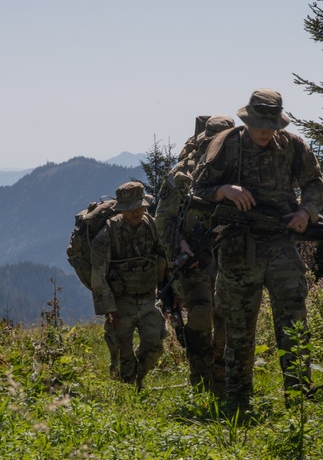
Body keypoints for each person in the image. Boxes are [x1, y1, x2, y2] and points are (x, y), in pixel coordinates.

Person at [191, 89, 323, 414]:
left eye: (271, 124)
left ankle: (299, 402)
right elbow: (197, 189)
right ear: (248, 119)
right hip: (239, 248)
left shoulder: (293, 146)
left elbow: (314, 183)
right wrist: (224, 190)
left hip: (281, 245)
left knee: (293, 324)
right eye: (260, 124)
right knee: (239, 329)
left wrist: (306, 213)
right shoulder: (226, 145)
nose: (266, 131)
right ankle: (239, 405)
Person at [155, 114, 234, 394]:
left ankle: (222, 384)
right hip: (194, 259)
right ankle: (201, 382)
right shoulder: (184, 172)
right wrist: (178, 247)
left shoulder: (240, 171)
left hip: (231, 256)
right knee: (200, 315)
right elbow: (163, 218)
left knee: (226, 320)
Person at [90, 181, 168, 391]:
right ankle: (127, 389)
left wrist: (172, 293)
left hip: (147, 298)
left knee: (155, 344)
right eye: (131, 208)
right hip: (120, 303)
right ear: (122, 209)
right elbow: (98, 274)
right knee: (123, 356)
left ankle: (139, 379)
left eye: (140, 207)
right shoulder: (107, 234)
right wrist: (109, 309)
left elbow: (163, 258)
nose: (137, 212)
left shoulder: (151, 226)